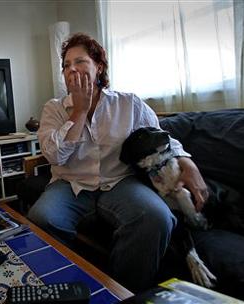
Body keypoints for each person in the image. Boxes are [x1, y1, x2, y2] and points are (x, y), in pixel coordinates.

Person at [27, 33, 209, 292]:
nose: (71, 70)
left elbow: (161, 138)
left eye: (80, 62)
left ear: (98, 66)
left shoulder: (128, 103)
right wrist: (78, 111)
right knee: (41, 218)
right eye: (66, 65)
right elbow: (55, 156)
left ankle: (120, 292)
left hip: (120, 181)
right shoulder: (54, 109)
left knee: (157, 217)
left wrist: (187, 163)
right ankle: (65, 289)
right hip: (70, 184)